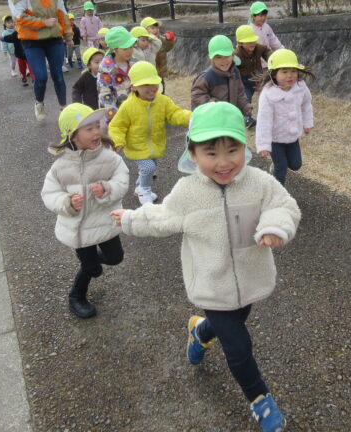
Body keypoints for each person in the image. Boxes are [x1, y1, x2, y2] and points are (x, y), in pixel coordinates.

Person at [110, 101, 300, 432]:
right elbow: (161, 217)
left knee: (234, 321)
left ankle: (200, 331)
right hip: (212, 284)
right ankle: (260, 400)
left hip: (251, 278)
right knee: (238, 346)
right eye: (211, 153)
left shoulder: (258, 181)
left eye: (233, 149)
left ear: (245, 147)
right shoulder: (188, 191)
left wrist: (275, 227)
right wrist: (129, 218)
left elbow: (283, 205)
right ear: (194, 155)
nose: (224, 162)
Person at [41, 103, 129, 318]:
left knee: (116, 257)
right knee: (93, 270)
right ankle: (76, 296)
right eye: (89, 129)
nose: (97, 132)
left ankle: (89, 264)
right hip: (79, 229)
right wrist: (67, 202)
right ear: (73, 135)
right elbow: (49, 194)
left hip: (104, 221)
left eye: (97, 126)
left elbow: (123, 179)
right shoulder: (60, 167)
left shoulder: (108, 157)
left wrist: (108, 188)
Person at [107, 61, 191, 205]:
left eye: (154, 83)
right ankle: (144, 190)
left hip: (156, 144)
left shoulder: (163, 101)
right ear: (134, 87)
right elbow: (117, 126)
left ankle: (139, 185)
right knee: (148, 168)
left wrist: (191, 117)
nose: (152, 88)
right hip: (137, 146)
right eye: (146, 85)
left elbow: (175, 114)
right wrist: (117, 141)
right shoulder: (128, 106)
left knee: (151, 168)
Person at [8, 0, 74, 121]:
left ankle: (63, 110)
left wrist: (68, 35)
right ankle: (39, 102)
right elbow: (19, 17)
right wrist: (43, 22)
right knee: (41, 76)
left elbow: (62, 13)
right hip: (32, 40)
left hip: (54, 38)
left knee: (58, 74)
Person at [255, 49, 314, 186]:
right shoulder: (268, 94)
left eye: (293, 71)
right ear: (274, 74)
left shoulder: (300, 87)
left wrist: (307, 123)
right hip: (275, 139)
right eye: (284, 72)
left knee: (295, 165)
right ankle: (276, 193)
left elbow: (306, 105)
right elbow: (264, 120)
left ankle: (275, 167)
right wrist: (263, 144)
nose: (290, 76)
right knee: (281, 167)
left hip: (292, 137)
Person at [190, 35, 254, 128]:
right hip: (211, 121)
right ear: (211, 59)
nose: (223, 61)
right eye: (218, 57)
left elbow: (239, 93)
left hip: (229, 118)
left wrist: (245, 106)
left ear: (232, 55)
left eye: (227, 56)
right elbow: (197, 96)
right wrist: (215, 106)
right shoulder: (206, 77)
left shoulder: (235, 72)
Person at [97, 26, 135, 123]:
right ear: (114, 49)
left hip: (135, 111)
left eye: (131, 46)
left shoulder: (134, 62)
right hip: (118, 115)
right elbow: (105, 94)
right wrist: (113, 117)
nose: (129, 51)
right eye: (125, 48)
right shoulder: (106, 67)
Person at [234, 24, 273, 106]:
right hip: (244, 80)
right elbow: (232, 68)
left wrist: (271, 59)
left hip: (259, 76)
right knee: (246, 97)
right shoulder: (237, 54)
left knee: (268, 95)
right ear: (240, 43)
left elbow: (266, 51)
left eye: (253, 41)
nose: (252, 44)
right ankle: (247, 117)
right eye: (248, 42)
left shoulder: (258, 48)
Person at [1, 15, 34, 87]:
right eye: (8, 22)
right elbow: (6, 40)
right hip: (15, 52)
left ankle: (33, 79)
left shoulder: (18, 29)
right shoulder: (8, 33)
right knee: (18, 65)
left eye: (12, 22)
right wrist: (4, 50)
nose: (11, 24)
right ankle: (20, 75)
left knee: (30, 65)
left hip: (26, 52)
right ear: (5, 24)